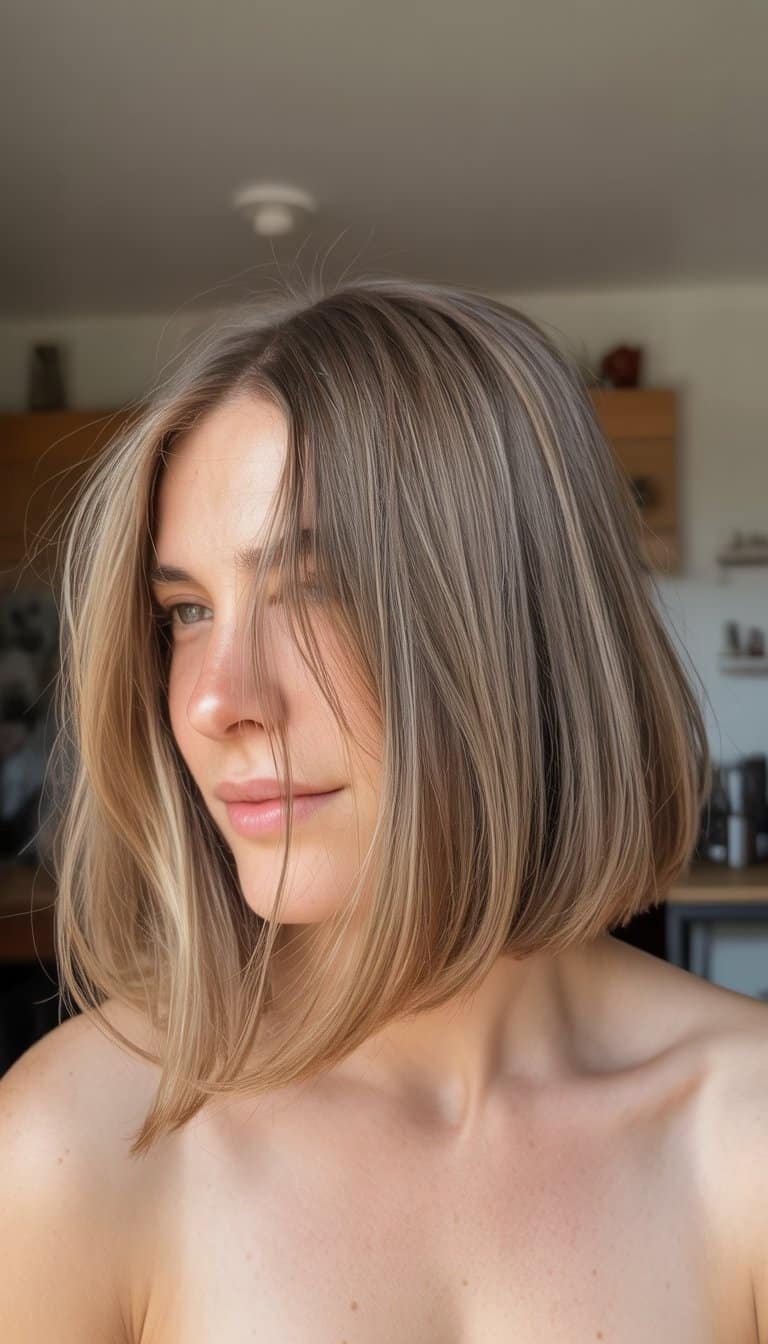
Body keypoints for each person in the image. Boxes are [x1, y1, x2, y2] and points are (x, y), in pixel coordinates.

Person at [1, 276, 766, 1342]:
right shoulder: (75, 1148)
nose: (218, 700)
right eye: (186, 610)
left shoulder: (744, 1140)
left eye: (315, 591)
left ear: (516, 627)